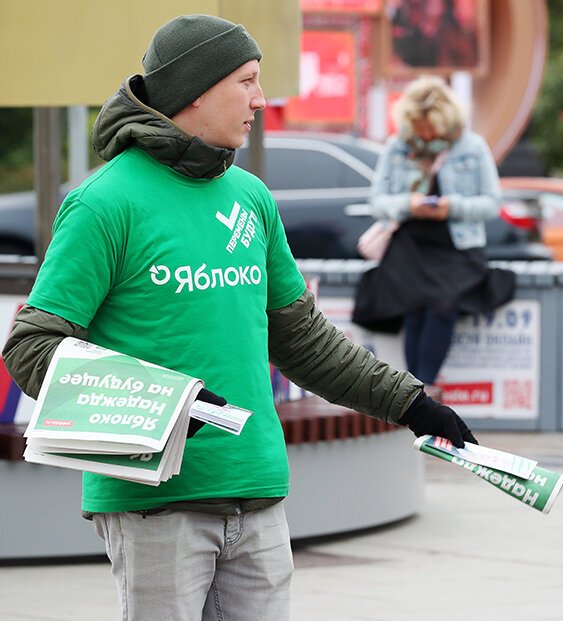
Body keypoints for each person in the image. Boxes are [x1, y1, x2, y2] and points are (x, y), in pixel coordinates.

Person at [0, 15, 475, 621]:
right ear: (194, 90)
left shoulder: (250, 196)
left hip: (259, 494)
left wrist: (410, 404)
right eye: (247, 81)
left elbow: (301, 339)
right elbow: (33, 347)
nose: (259, 98)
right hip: (152, 506)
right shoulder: (103, 203)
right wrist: (159, 407)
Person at [352, 75, 514, 399]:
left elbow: (492, 203)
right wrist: (409, 204)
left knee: (442, 306)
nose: (423, 134)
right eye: (417, 126)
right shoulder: (398, 146)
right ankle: (417, 392)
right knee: (413, 310)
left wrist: (451, 207)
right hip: (411, 244)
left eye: (428, 127)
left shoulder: (472, 147)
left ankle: (421, 390)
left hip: (457, 246)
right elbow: (378, 201)